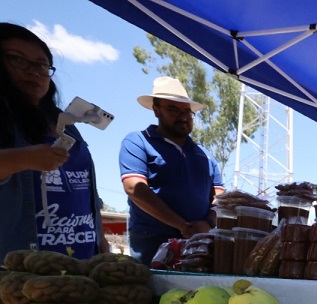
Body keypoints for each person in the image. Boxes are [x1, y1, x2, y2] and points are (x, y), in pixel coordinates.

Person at [0, 23, 109, 260]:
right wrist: (25, 158)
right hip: (20, 273)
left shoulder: (65, 123)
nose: (34, 71)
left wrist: (100, 238)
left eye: (41, 64)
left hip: (80, 263)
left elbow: (83, 188)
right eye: (17, 60)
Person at [120, 76, 224, 265]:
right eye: (173, 110)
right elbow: (134, 188)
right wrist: (182, 226)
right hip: (152, 241)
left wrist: (208, 223)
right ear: (156, 110)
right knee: (152, 292)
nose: (183, 117)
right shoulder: (137, 141)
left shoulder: (206, 155)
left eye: (187, 112)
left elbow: (220, 198)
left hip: (199, 244)